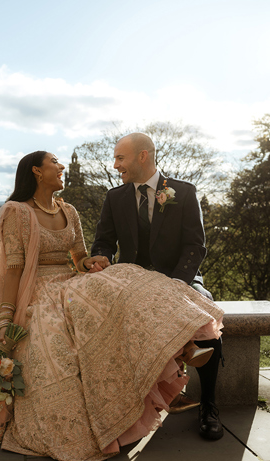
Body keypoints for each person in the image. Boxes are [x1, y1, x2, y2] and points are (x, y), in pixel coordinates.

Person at [0, 151, 223, 461]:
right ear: (36, 171)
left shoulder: (70, 211)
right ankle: (166, 367)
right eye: (54, 162)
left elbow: (79, 259)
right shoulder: (17, 212)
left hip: (70, 285)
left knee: (125, 278)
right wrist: (7, 316)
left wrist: (92, 261)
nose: (62, 166)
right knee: (67, 338)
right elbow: (12, 269)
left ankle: (175, 354)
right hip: (37, 292)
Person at [91, 132, 224, 440]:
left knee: (205, 313)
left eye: (120, 158)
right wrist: (100, 258)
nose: (115, 166)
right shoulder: (115, 197)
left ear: (143, 156)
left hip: (181, 278)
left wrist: (176, 283)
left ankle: (209, 404)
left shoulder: (183, 192)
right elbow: (104, 240)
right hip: (133, 281)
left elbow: (195, 245)